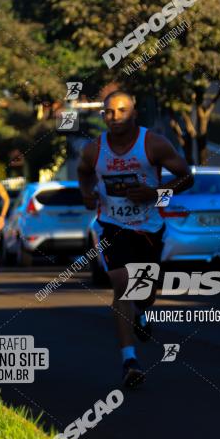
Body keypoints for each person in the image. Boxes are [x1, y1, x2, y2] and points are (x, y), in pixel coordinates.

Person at [78, 91, 193, 389]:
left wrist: (156, 194)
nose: (114, 117)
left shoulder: (153, 144)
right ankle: (129, 360)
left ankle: (142, 313)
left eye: (121, 111)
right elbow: (83, 172)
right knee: (122, 286)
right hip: (112, 226)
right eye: (109, 112)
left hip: (149, 228)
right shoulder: (94, 150)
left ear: (134, 113)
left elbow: (186, 177)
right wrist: (86, 193)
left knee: (145, 293)